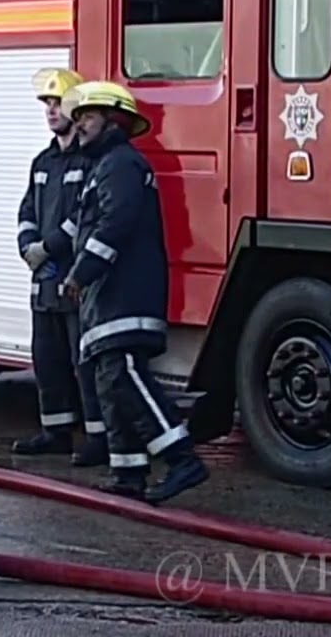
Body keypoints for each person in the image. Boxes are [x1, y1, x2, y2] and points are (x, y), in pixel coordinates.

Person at [59, 81, 210, 505]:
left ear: (115, 120)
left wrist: (80, 274)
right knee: (110, 381)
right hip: (107, 300)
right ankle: (128, 473)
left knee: (124, 376)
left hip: (124, 296)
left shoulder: (121, 164)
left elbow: (115, 223)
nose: (79, 125)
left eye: (87, 116)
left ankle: (182, 458)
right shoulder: (105, 166)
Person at [11, 67, 108, 468]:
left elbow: (82, 217)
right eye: (47, 104)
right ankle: (55, 431)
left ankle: (97, 437)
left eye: (58, 103)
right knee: (46, 358)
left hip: (74, 279)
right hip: (44, 280)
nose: (51, 111)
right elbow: (27, 210)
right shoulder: (42, 162)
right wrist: (26, 246)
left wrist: (46, 249)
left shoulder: (88, 162)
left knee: (82, 360)